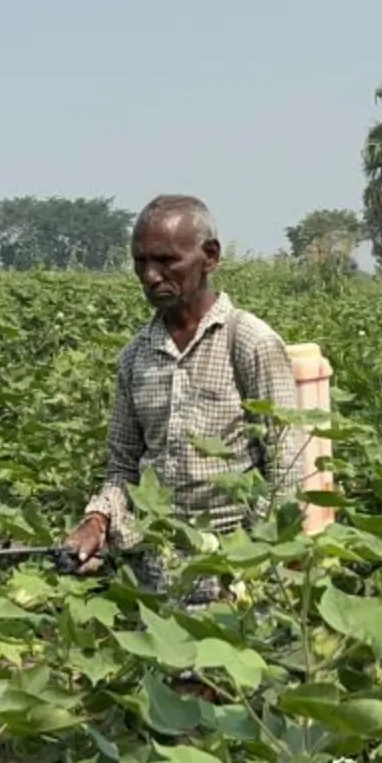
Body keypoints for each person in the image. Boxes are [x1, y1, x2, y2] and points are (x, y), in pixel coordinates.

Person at [63, 194, 309, 606]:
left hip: (236, 570)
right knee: (166, 666)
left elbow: (285, 468)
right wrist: (97, 521)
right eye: (140, 262)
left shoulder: (250, 343)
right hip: (157, 570)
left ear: (209, 257)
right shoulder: (135, 357)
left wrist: (258, 563)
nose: (151, 276)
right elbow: (123, 466)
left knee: (228, 670)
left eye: (166, 261)